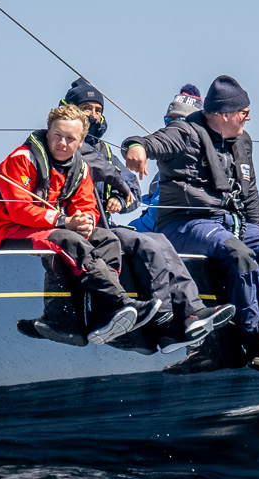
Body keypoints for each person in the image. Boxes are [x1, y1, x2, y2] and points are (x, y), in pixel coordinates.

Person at [123, 75, 259, 377]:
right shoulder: (184, 132)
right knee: (238, 255)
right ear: (224, 115)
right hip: (186, 224)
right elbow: (148, 142)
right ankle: (252, 343)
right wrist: (136, 147)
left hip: (231, 223)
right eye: (244, 113)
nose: (248, 119)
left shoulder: (243, 142)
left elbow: (250, 195)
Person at [60, 77, 233, 354]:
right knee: (146, 244)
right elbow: (102, 169)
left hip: (104, 227)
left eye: (98, 109)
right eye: (86, 108)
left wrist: (120, 199)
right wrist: (119, 184)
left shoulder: (105, 151)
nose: (93, 115)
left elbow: (133, 191)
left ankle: (191, 312)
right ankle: (165, 322)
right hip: (74, 228)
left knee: (160, 241)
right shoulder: (63, 144)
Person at [0, 105, 155, 347]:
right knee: (67, 240)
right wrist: (65, 222)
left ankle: (103, 316)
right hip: (5, 230)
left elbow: (86, 204)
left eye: (70, 138)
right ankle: (119, 303)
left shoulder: (79, 169)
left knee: (107, 240)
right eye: (57, 135)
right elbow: (18, 209)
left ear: (81, 141)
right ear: (48, 133)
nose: (62, 143)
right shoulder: (21, 159)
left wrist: (86, 222)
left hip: (44, 227)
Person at [129, 86, 202, 233]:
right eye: (169, 120)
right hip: (149, 230)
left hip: (181, 232)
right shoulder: (161, 174)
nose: (173, 126)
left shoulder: (209, 165)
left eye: (180, 120)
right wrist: (135, 145)